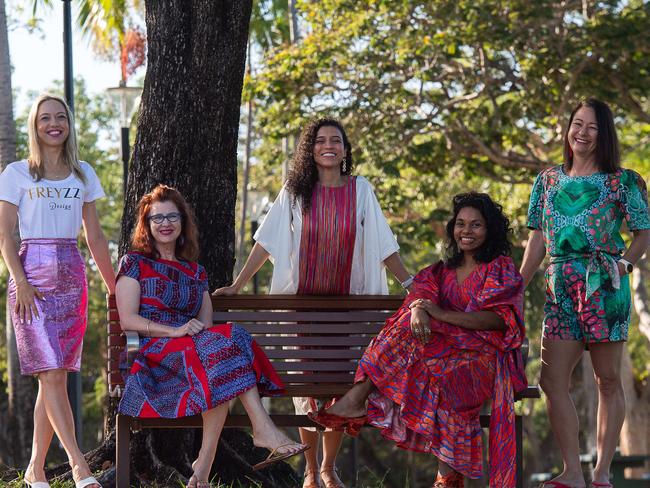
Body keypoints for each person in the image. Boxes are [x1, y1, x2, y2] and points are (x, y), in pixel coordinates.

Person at [214, 117, 413, 488]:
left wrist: (411, 283)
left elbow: (384, 243)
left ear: (344, 150)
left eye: (336, 140)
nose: (329, 145)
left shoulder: (361, 190)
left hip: (347, 311)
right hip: (302, 311)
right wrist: (238, 283)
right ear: (311, 148)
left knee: (338, 384)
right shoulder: (296, 190)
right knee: (306, 388)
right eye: (321, 140)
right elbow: (267, 240)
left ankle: (328, 467)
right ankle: (308, 471)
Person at [311, 192, 528, 488]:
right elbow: (421, 291)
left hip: (481, 359)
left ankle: (357, 399)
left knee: (448, 372)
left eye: (476, 225)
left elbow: (498, 319)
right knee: (412, 333)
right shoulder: (442, 270)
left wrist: (439, 314)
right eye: (461, 224)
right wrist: (417, 310)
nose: (466, 231)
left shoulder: (500, 268)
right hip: (440, 354)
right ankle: (446, 479)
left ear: (490, 229)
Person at [115, 184, 308, 488]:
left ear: (183, 222)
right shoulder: (135, 264)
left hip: (194, 355)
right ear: (147, 225)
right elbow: (128, 319)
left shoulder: (196, 272)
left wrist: (191, 334)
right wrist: (175, 330)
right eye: (157, 218)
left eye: (172, 217)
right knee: (222, 351)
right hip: (154, 359)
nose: (165, 223)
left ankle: (207, 464)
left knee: (226, 345)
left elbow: (207, 326)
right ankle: (256, 433)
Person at [520, 99, 650, 488]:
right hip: (560, 285)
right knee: (551, 381)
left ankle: (601, 474)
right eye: (577, 124)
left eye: (592, 127)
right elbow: (537, 240)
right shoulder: (546, 181)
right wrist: (516, 287)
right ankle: (572, 472)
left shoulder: (621, 180)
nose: (582, 132)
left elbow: (643, 229)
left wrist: (625, 263)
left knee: (607, 381)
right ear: (568, 129)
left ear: (603, 134)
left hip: (605, 284)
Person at [0, 94, 116, 488]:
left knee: (55, 378)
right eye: (45, 118)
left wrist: (113, 286)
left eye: (61, 117)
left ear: (68, 124)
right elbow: (4, 235)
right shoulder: (17, 173)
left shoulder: (82, 173)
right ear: (35, 125)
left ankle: (35, 471)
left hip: (72, 276)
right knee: (50, 374)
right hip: (31, 274)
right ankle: (79, 465)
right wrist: (21, 282)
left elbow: (96, 236)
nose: (54, 123)